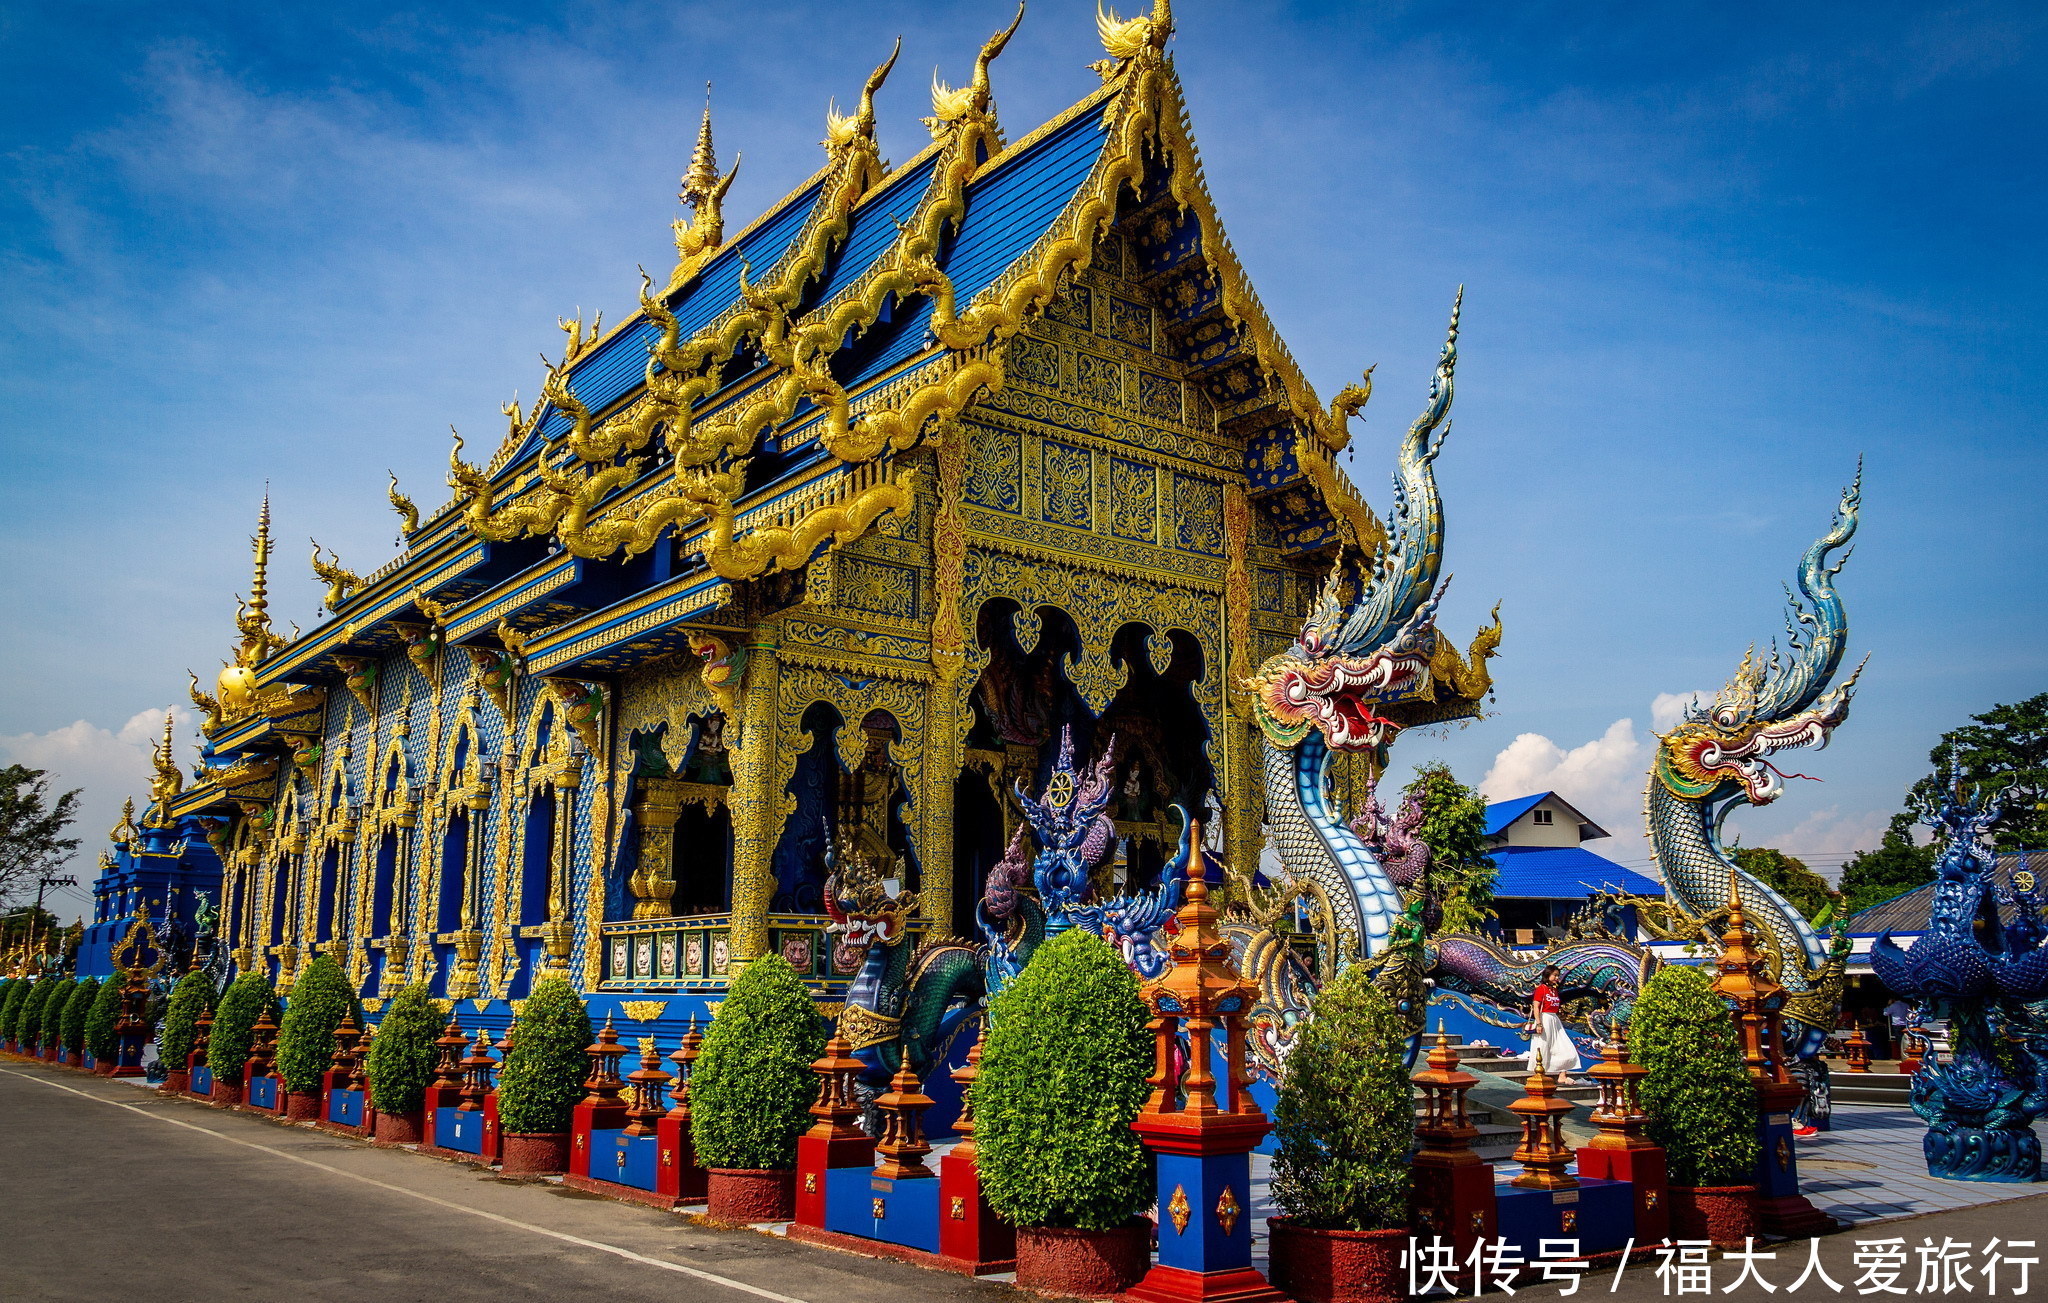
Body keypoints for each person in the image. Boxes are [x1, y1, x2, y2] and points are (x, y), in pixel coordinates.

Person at [1525, 963, 1582, 1076]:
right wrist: (1539, 1024)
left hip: (1554, 1020)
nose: (1557, 978)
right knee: (1543, 1046)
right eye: (1555, 975)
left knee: (1564, 1045)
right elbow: (1536, 1006)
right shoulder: (1541, 989)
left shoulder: (1554, 990)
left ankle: (1562, 1074)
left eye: (1558, 975)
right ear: (1548, 975)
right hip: (1544, 1018)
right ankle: (1539, 1073)